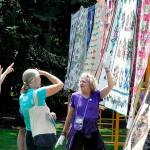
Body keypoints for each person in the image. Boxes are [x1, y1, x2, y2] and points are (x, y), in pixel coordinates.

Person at [55, 67, 115, 150]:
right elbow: (69, 117)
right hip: (77, 131)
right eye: (80, 81)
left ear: (90, 84)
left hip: (92, 131)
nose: (81, 83)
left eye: (84, 81)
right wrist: (63, 133)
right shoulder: (75, 96)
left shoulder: (97, 95)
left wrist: (107, 70)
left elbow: (110, 86)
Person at [19, 69, 64, 150]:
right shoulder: (38, 93)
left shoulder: (22, 97)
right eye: (39, 77)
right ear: (34, 79)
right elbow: (60, 84)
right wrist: (45, 73)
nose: (40, 79)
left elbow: (34, 115)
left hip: (29, 135)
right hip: (43, 135)